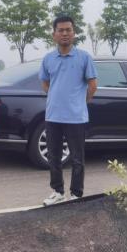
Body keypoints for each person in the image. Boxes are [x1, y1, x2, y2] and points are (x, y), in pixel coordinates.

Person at [39, 15, 97, 206]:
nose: (65, 33)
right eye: (61, 30)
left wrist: (79, 102)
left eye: (68, 30)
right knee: (54, 157)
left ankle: (76, 194)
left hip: (76, 118)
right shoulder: (48, 59)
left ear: (74, 33)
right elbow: (45, 83)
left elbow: (93, 86)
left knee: (77, 159)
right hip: (53, 116)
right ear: (54, 34)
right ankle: (57, 192)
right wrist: (57, 98)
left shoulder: (84, 58)